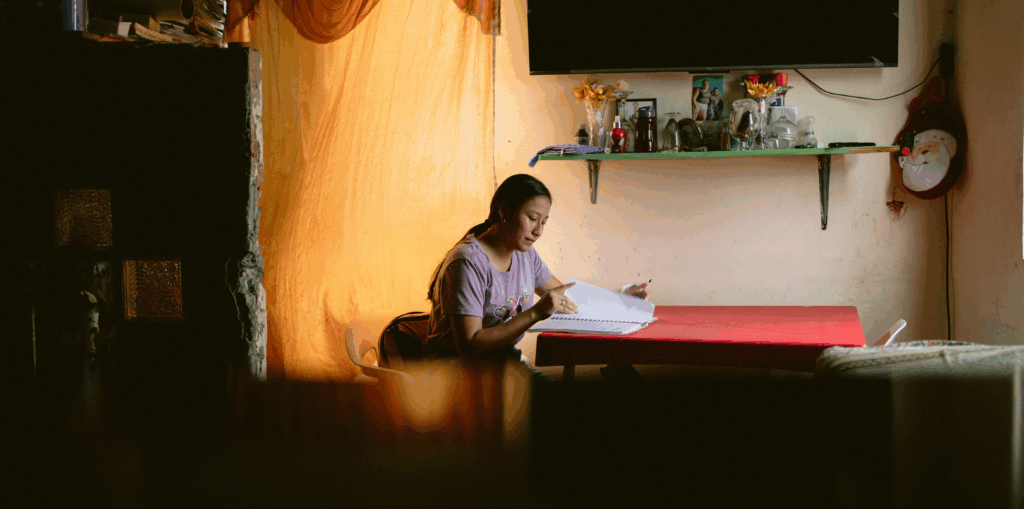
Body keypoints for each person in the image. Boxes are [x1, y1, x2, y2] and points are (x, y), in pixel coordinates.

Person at [425, 174, 649, 382]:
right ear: (504, 211)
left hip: (503, 365)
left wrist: (620, 297)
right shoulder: (468, 262)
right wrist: (535, 313)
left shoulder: (525, 255)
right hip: (458, 376)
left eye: (544, 222)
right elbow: (470, 346)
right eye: (532, 218)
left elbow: (567, 298)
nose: (538, 231)